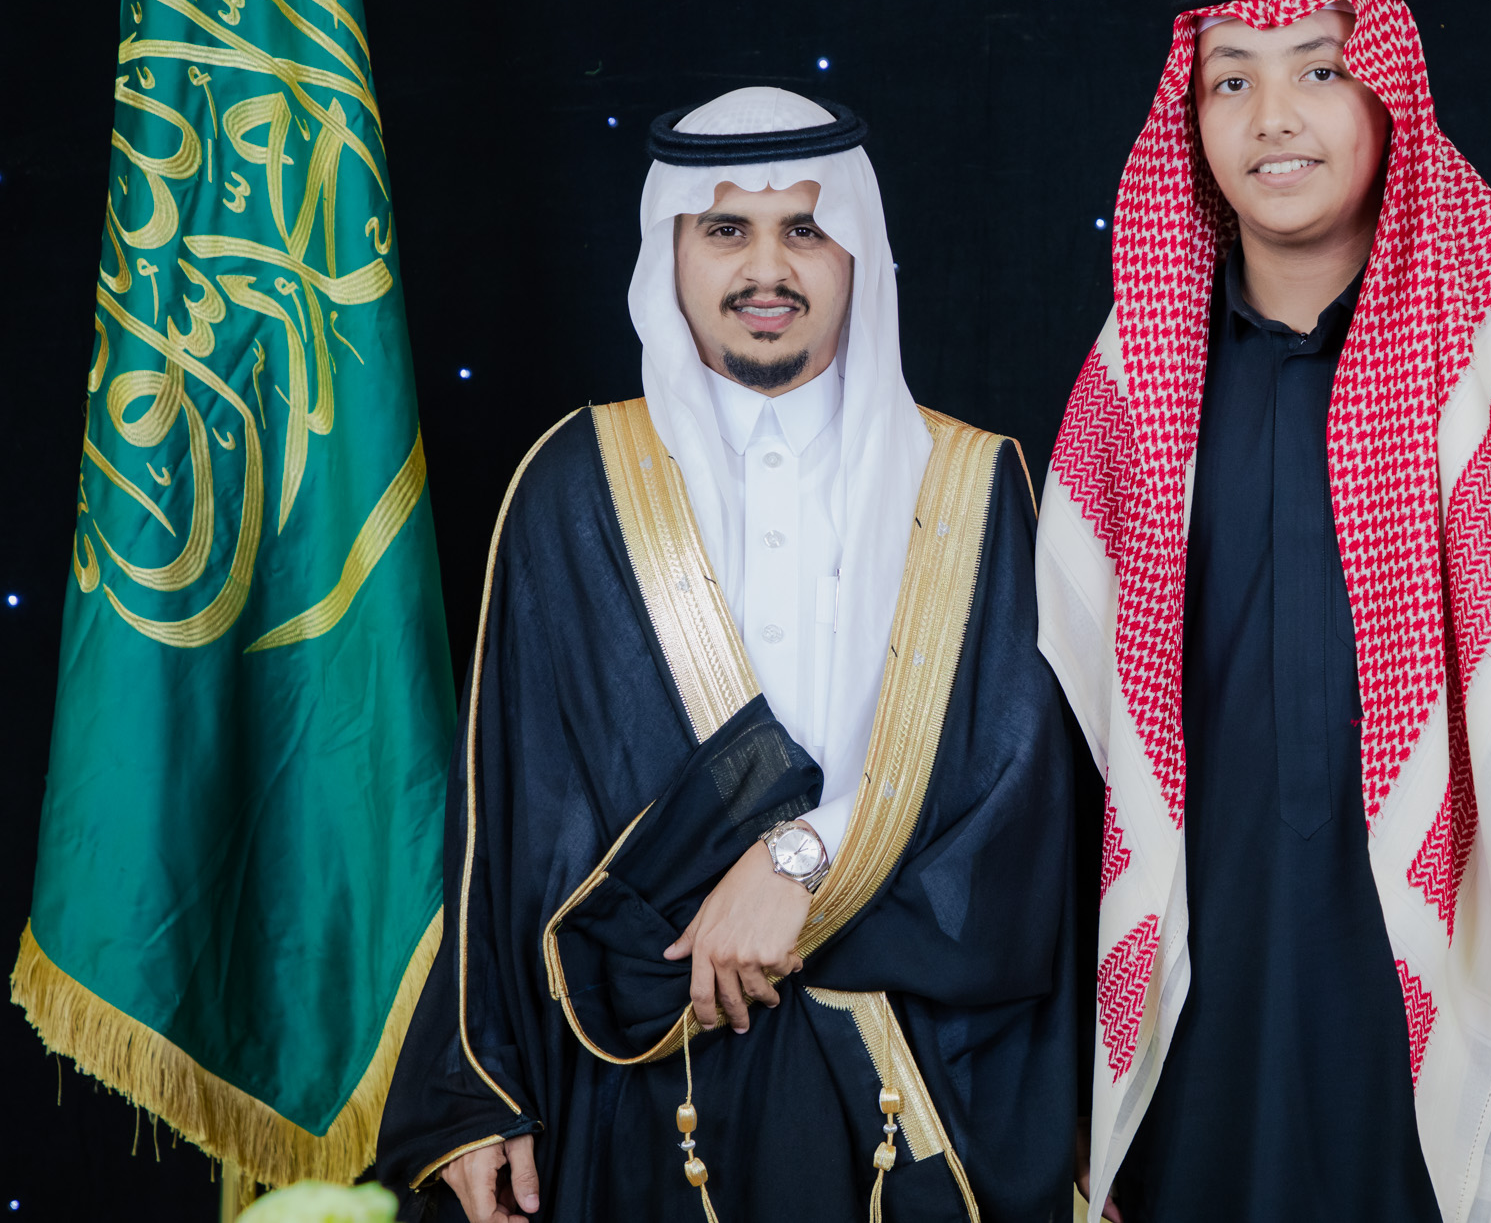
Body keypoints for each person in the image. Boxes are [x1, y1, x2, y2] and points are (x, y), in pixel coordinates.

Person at [1036, 0, 1491, 1223]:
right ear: (1188, 119)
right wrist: (1065, 1067)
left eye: (1319, 70)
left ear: (1387, 93)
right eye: (1229, 80)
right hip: (1204, 1012)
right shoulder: (1136, 390)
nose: (1271, 118)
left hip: (1489, 985)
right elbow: (1066, 758)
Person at [376, 88, 1076, 1223]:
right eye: (725, 230)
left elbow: (1017, 791)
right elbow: (507, 818)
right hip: (637, 1087)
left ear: (857, 251)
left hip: (901, 1079)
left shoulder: (969, 484)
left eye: (805, 228)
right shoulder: (575, 482)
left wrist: (799, 859)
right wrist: (476, 1086)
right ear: (671, 250)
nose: (767, 269)